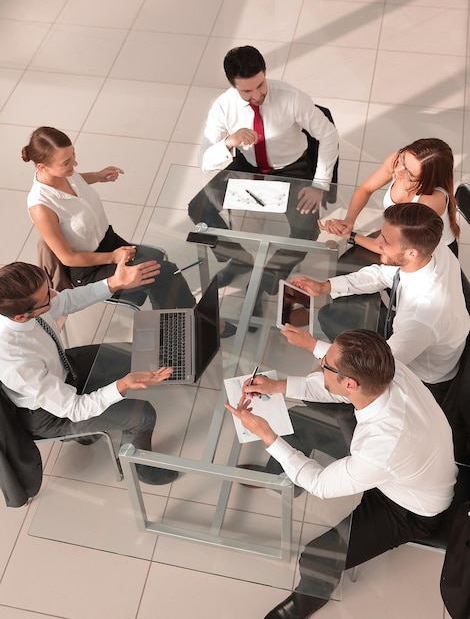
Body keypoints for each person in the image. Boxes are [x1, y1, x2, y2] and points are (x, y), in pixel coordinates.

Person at [226, 329, 457, 619]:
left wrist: (267, 435)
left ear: (350, 383)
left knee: (317, 556)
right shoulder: (386, 367)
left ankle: (305, 602)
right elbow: (336, 386)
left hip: (411, 509)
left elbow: (320, 485)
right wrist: (278, 386)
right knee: (301, 421)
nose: (320, 366)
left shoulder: (380, 446)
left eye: (325, 366)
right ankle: (281, 477)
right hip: (411, 464)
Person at [22, 126, 236, 337]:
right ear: (43, 167)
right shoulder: (41, 207)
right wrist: (113, 256)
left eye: (73, 156)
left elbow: (75, 180)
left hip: (111, 243)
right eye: (66, 162)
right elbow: (68, 258)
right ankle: (189, 325)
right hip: (89, 269)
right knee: (164, 272)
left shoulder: (64, 174)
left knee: (161, 271)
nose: (74, 164)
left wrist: (97, 176)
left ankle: (177, 325)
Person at [0, 259, 179, 486]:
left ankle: (87, 432)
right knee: (143, 415)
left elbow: (66, 301)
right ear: (21, 317)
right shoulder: (17, 362)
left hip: (63, 368)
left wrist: (114, 282)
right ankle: (141, 469)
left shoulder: (27, 303)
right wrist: (122, 385)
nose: (53, 296)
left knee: (140, 354)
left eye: (48, 288)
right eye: (46, 298)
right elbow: (73, 408)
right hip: (53, 414)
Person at [189, 45, 339, 309]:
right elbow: (203, 161)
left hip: (292, 168)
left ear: (265, 73)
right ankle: (241, 260)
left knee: (307, 228)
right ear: (233, 85)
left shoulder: (291, 97)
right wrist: (228, 142)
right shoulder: (224, 106)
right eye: (247, 91)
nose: (257, 95)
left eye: (261, 85)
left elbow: (328, 134)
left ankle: (269, 276)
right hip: (249, 166)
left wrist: (319, 184)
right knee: (199, 207)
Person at [284, 203, 469, 406]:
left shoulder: (422, 318)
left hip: (421, 377)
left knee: (321, 397)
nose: (378, 242)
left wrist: (312, 346)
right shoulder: (434, 248)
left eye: (386, 241)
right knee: (332, 316)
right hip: (409, 342)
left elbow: (367, 377)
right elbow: (384, 274)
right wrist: (325, 287)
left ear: (412, 253)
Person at [320, 138, 459, 256]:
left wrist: (349, 236)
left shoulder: (429, 201)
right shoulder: (396, 161)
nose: (398, 170)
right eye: (402, 159)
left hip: (430, 254)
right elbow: (366, 189)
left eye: (410, 174)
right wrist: (349, 220)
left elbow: (394, 250)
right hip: (397, 240)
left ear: (427, 179)